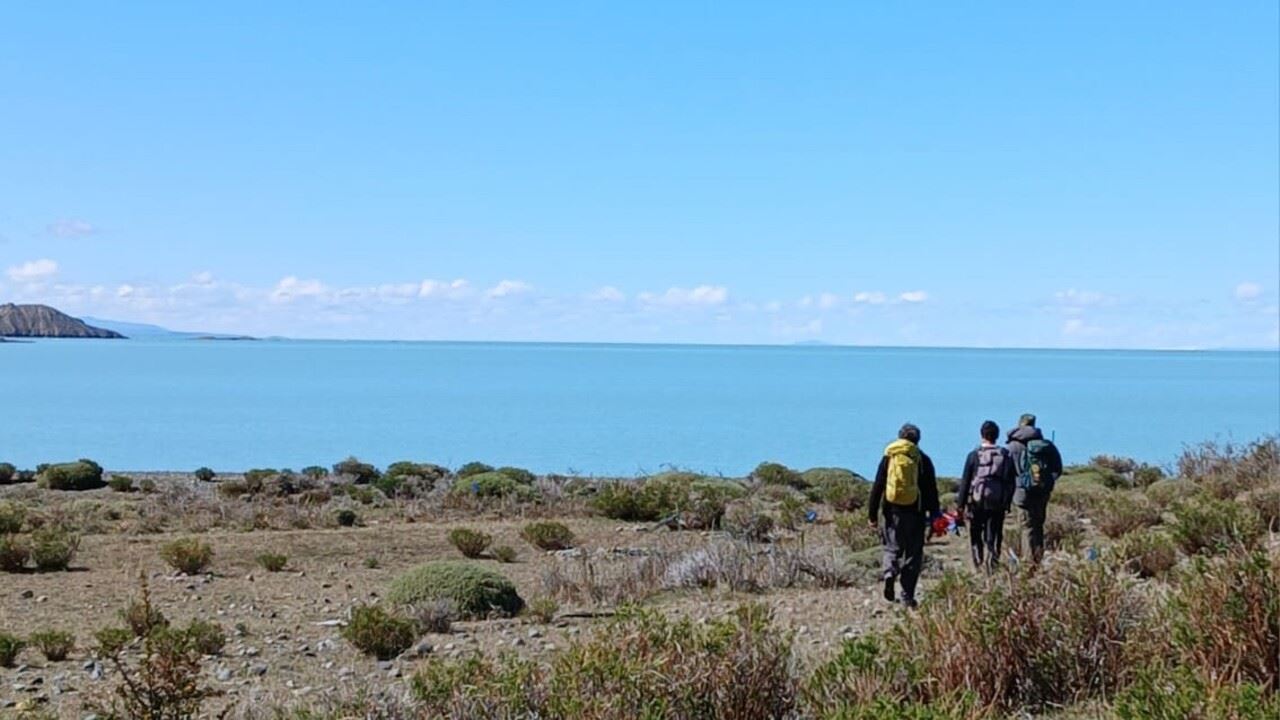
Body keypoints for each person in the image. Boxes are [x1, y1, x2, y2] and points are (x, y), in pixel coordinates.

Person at [868, 423, 940, 608]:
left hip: (892, 511)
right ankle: (907, 595)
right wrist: (934, 516)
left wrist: (872, 515)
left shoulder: (889, 457)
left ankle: (889, 573)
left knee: (892, 547)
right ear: (917, 441)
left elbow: (878, 487)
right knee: (913, 554)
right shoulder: (923, 460)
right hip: (916, 512)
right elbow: (931, 491)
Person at [956, 420, 1015, 572]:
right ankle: (992, 562)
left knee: (976, 532)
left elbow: (965, 482)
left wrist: (960, 506)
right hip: (997, 502)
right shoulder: (1005, 455)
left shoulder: (973, 456)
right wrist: (1007, 502)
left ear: (982, 435)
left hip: (976, 501)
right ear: (997, 436)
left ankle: (978, 562)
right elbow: (1011, 482)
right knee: (994, 532)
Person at [1006, 413, 1063, 566]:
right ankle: (1038, 559)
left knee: (1026, 527)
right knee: (1038, 525)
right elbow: (1058, 468)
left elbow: (1007, 472)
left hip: (1021, 493)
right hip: (1042, 491)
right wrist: (1047, 482)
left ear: (1020, 425)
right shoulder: (1046, 445)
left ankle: (1029, 564)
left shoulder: (1012, 447)